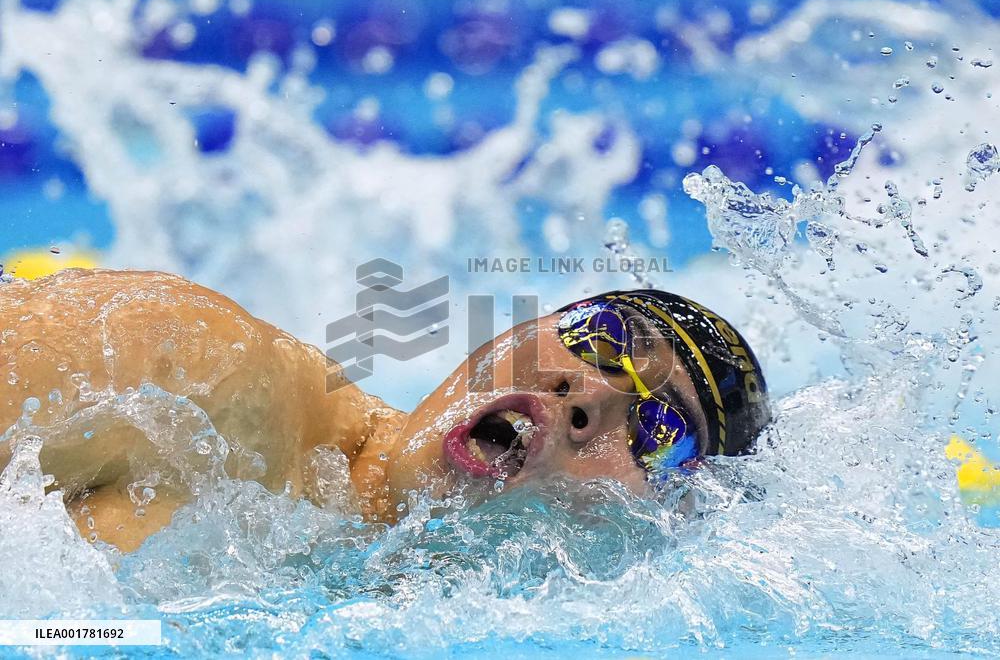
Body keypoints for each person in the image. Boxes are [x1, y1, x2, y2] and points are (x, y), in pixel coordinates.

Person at [0, 269, 770, 551]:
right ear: (512, 334)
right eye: (601, 340)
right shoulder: (207, 377)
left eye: (661, 435)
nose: (593, 395)